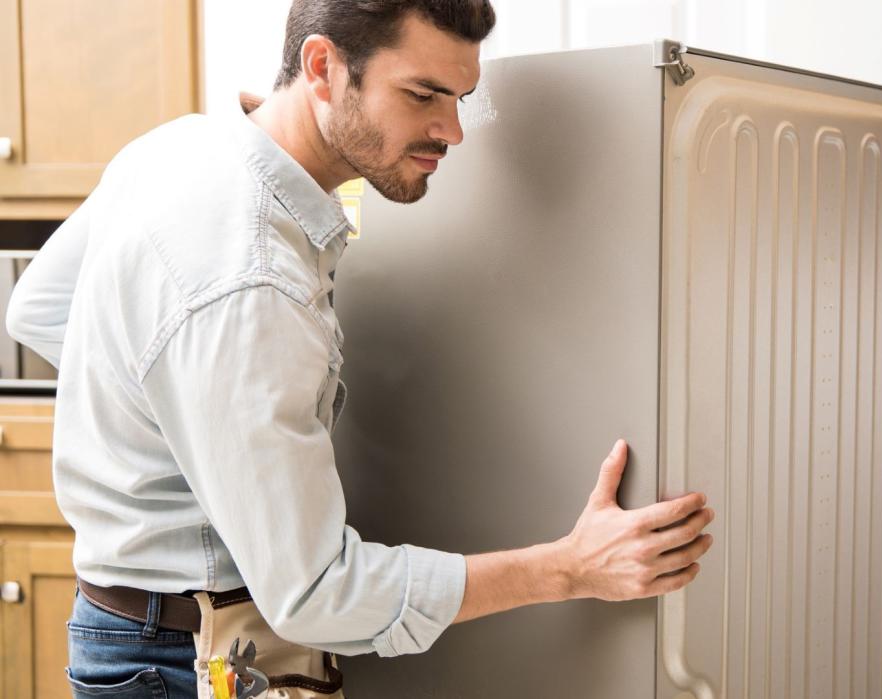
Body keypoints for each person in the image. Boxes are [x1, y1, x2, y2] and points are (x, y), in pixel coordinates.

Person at [7, 1, 714, 696]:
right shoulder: (252, 278)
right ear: (323, 67)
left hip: (126, 627)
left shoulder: (179, 146)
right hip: (189, 660)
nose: (453, 130)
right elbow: (316, 591)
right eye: (422, 94)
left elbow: (36, 308)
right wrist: (569, 567)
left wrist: (194, 417)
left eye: (462, 96)